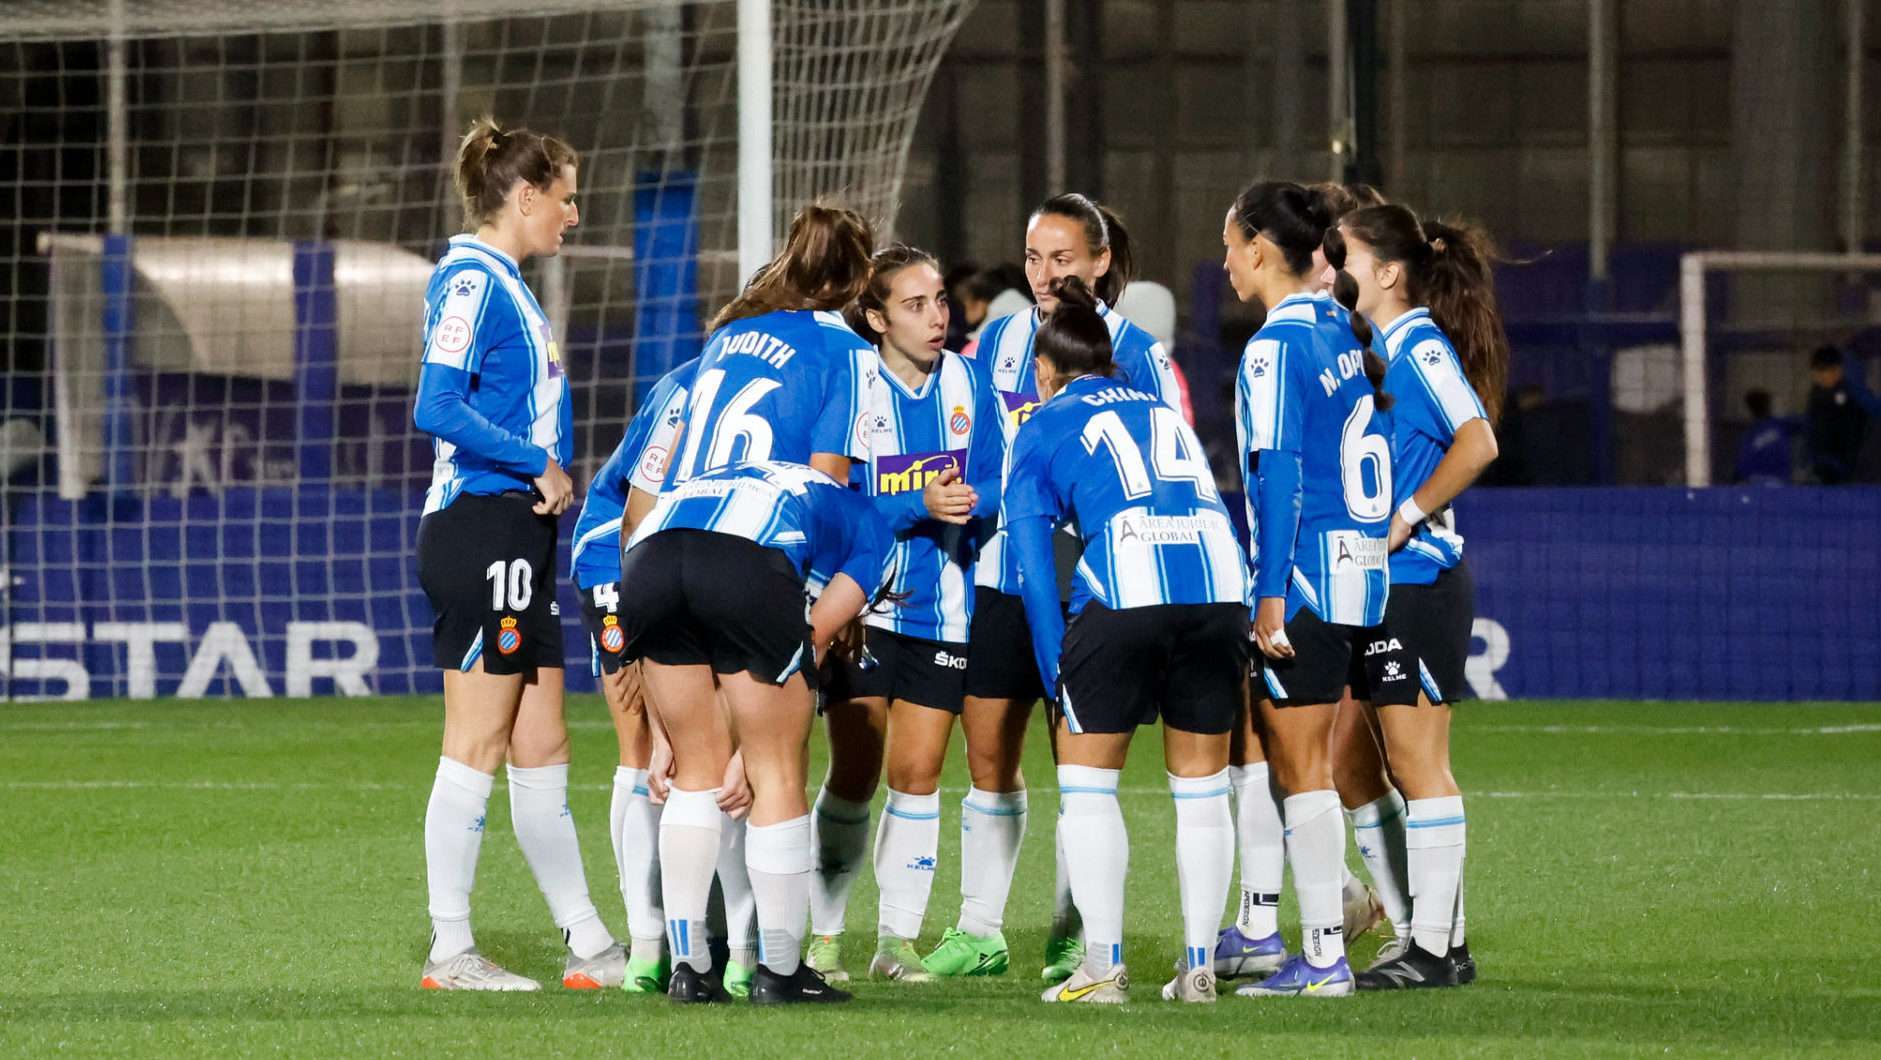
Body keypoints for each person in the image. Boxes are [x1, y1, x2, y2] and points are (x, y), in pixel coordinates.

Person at [411, 117, 623, 991]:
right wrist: (533, 460)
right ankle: (449, 950)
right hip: (482, 527)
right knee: (479, 740)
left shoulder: (508, 284)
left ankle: (589, 945)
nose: (573, 216)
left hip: (520, 535)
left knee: (543, 742)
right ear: (525, 195)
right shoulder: (469, 279)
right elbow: (435, 402)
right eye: (566, 199)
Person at [958, 192, 1188, 986]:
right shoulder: (997, 341)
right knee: (987, 750)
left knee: (1078, 763)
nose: (1046, 274)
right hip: (1002, 568)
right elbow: (987, 453)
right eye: (1032, 258)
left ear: (1098, 262)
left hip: (1092, 576)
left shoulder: (1137, 350)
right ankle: (979, 929)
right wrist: (981, 499)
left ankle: (1073, 931)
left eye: (1062, 258)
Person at [1003, 277, 1250, 1004]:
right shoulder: (1160, 409)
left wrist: (1054, 667)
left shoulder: (1041, 424)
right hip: (1216, 587)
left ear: (1044, 370)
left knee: (1086, 790)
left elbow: (1031, 560)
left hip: (1127, 589)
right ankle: (1198, 968)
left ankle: (1102, 969)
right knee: (1203, 793)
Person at [620, 460, 895, 1004]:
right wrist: (751, 751)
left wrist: (662, 733)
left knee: (693, 773)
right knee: (777, 773)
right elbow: (814, 637)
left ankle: (689, 969)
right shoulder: (877, 530)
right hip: (743, 560)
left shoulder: (768, 482)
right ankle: (780, 970)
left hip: (648, 556)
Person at [806, 246, 1006, 983]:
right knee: (855, 771)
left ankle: (897, 939)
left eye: (941, 302)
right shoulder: (849, 385)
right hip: (863, 606)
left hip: (944, 610)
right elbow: (827, 498)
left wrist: (969, 500)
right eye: (916, 305)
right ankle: (823, 936)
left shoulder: (966, 381)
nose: (936, 317)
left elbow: (992, 475)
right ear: (875, 316)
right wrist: (912, 504)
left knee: (918, 774)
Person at [1325, 202, 1508, 988]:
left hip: (1417, 581)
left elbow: (1479, 441)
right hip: (1376, 586)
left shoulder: (1420, 345)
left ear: (1388, 274)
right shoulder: (1380, 349)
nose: (1334, 271)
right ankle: (1417, 933)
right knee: (1350, 765)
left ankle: (1437, 949)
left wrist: (1404, 515)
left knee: (1416, 765)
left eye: (1346, 258)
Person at [1223, 179, 1395, 999]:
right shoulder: (1338, 327)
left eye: (1229, 245)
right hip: (1360, 568)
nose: (1224, 261)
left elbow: (1279, 475)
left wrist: (1266, 595)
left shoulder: (1273, 347)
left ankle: (1324, 954)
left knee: (1301, 772)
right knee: (1304, 764)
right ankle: (1289, 932)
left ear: (1259, 248)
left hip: (1306, 579)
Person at [569, 356, 700, 994]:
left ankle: (698, 935)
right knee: (644, 746)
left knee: (701, 748)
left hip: (686, 556)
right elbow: (634, 512)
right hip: (618, 556)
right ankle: (646, 942)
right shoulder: (686, 388)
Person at [664, 203, 880, 488]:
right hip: (751, 523)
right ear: (865, 275)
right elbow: (826, 481)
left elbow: (670, 463)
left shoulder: (727, 333)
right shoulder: (847, 350)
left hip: (674, 519)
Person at [1804, 345, 1880, 484]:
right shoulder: (1817, 395)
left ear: (1838, 370)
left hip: (1855, 469)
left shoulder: (1854, 393)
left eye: (1822, 371)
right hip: (1826, 467)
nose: (1819, 377)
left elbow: (1873, 414)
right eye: (1816, 373)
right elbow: (1813, 428)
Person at [1732, 389, 1799, 486]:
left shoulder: (1749, 436)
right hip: (1774, 484)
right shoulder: (1777, 425)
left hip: (1767, 485)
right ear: (1767, 406)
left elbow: (1742, 468)